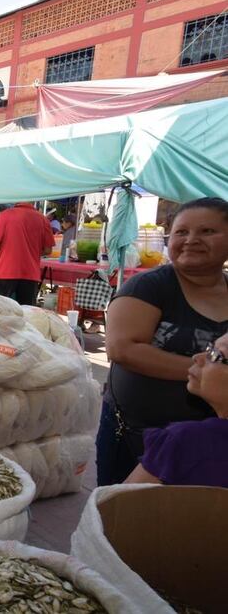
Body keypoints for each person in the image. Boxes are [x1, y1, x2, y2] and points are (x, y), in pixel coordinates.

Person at [98, 197, 228, 485]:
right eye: (182, 232)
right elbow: (122, 348)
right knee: (119, 518)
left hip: (210, 447)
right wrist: (208, 373)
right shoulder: (150, 285)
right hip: (134, 435)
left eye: (207, 231)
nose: (191, 240)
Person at [124, 333, 227, 487]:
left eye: (215, 354)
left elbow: (116, 504)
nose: (197, 357)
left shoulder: (185, 441)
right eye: (209, 347)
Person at [0, 202, 54, 306]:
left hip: (6, 271)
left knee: (0, 311)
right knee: (26, 313)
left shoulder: (5, 215)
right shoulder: (43, 219)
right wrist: (30, 251)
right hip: (30, 274)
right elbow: (48, 250)